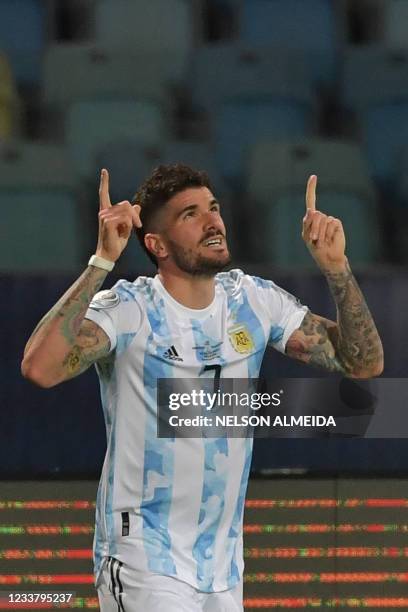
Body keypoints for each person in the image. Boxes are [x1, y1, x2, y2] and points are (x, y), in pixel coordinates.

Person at [21, 164, 383, 611]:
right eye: (190, 215)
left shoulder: (253, 301)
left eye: (213, 208)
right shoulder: (130, 308)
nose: (214, 222)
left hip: (223, 570)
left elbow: (362, 363)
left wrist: (337, 269)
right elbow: (40, 368)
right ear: (156, 245)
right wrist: (101, 262)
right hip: (143, 558)